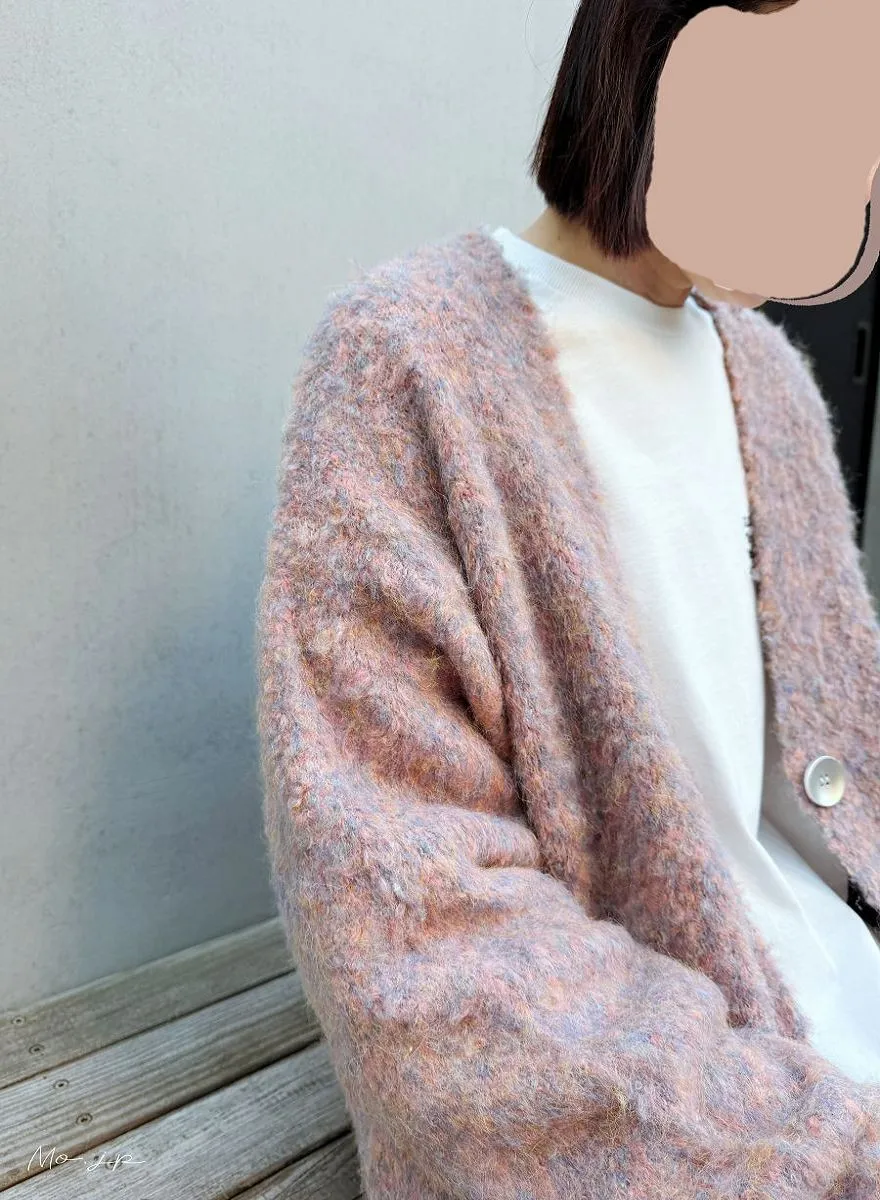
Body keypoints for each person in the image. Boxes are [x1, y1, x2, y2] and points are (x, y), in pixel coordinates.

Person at [255, 1, 880, 1196]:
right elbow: (415, 932)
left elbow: (841, 756)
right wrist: (819, 1145)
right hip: (701, 1122)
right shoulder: (406, 361)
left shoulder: (773, 383)